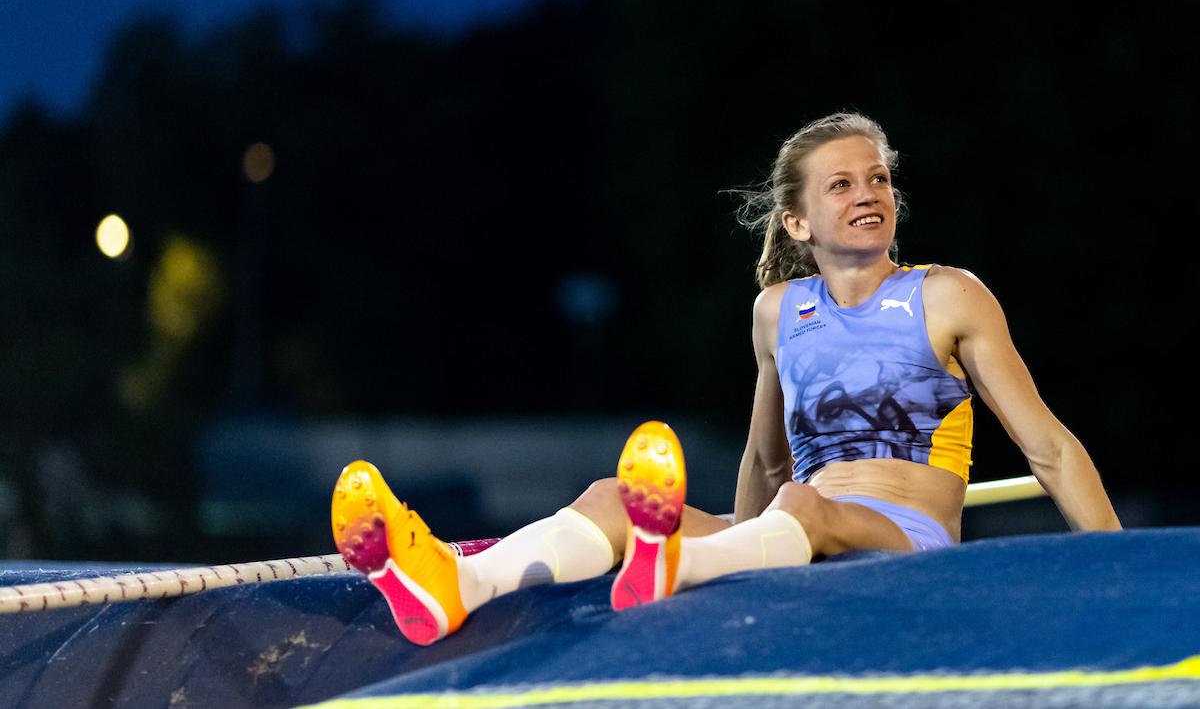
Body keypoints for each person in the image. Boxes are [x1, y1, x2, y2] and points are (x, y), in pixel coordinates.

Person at [330, 111, 1122, 646]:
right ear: (799, 223)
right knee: (611, 496)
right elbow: (764, 461)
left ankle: (676, 564)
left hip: (904, 547)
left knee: (804, 505)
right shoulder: (778, 312)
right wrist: (736, 575)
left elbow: (1049, 448)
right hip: (795, 529)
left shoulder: (949, 296)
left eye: (878, 179)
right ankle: (456, 583)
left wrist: (1125, 571)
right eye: (842, 184)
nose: (869, 194)